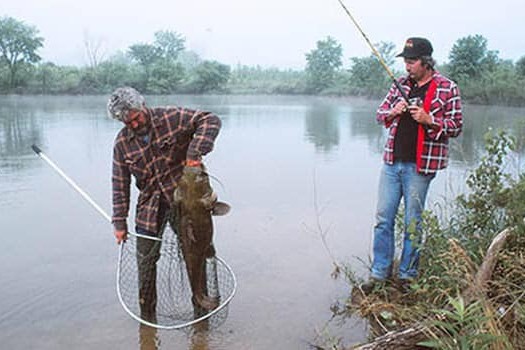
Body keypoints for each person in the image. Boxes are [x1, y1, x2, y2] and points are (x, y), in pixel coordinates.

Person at [107, 86, 221, 320]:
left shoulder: (170, 117)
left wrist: (193, 153)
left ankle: (202, 313)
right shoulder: (121, 144)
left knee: (196, 256)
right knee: (146, 264)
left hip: (186, 204)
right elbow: (119, 185)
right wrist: (119, 223)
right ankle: (148, 322)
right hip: (149, 207)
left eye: (136, 118)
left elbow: (210, 120)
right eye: (128, 123)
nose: (135, 125)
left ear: (143, 105)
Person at [362, 37, 463, 294]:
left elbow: (456, 126)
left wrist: (429, 120)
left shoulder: (447, 87)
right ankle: (379, 273)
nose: (407, 66)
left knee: (413, 222)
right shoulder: (400, 85)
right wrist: (394, 111)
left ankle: (407, 275)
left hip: (420, 166)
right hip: (391, 163)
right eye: (405, 61)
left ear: (426, 62)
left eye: (412, 61)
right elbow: (379, 114)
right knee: (383, 218)